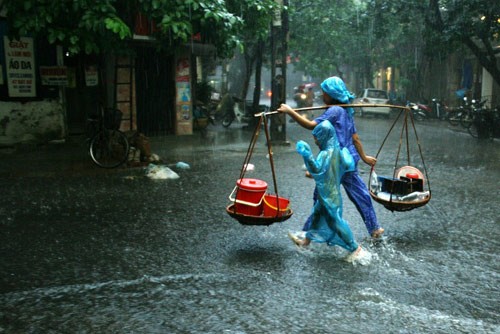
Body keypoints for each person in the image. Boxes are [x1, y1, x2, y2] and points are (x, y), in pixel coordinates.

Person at [278, 76, 384, 239]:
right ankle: (374, 228)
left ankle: (307, 236)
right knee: (361, 195)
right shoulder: (347, 111)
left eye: (324, 92)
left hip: (335, 163)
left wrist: (289, 112)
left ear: (331, 94)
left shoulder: (334, 110)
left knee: (321, 198)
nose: (322, 95)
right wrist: (364, 157)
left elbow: (311, 126)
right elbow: (355, 138)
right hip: (349, 161)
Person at [288, 120, 364, 261]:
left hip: (329, 196)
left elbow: (317, 169)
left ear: (324, 136)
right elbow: (347, 164)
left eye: (317, 137)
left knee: (335, 221)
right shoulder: (336, 151)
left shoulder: (325, 154)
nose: (316, 141)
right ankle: (306, 241)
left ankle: (355, 247)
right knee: (316, 214)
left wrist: (307, 155)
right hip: (329, 194)